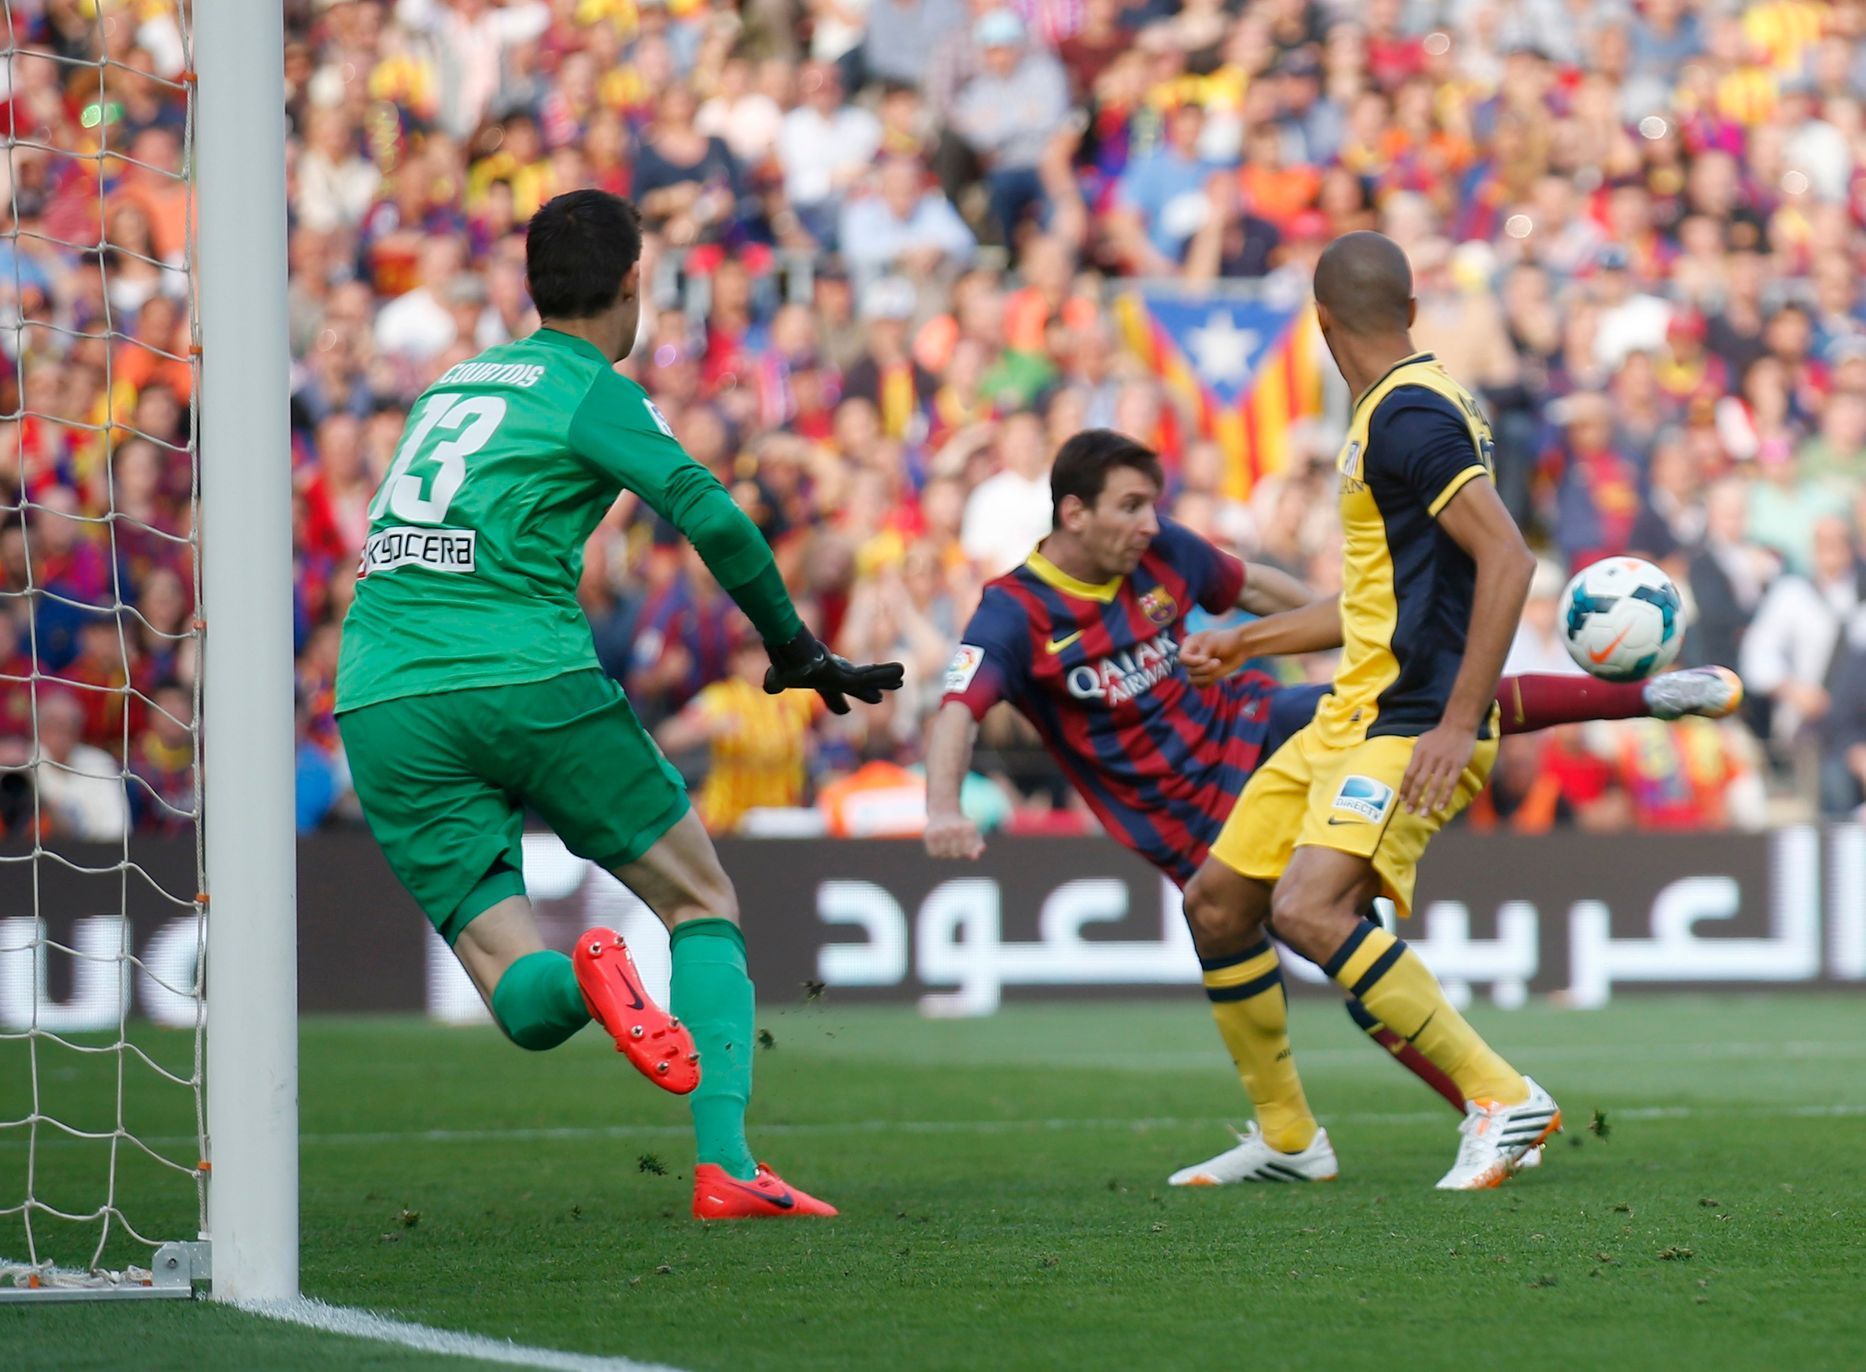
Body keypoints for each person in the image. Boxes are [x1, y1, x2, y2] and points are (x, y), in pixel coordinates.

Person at [922, 427, 1740, 1161]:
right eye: (1130, 506)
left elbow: (1255, 588)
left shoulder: (1161, 547)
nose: (1149, 522)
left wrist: (1356, 644)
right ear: (1072, 512)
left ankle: (1646, 700)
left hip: (1257, 726)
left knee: (1420, 715)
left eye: (1152, 505)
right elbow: (957, 711)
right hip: (1182, 814)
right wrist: (943, 808)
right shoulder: (1015, 612)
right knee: (1238, 924)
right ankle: (1299, 1138)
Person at [335, 191, 903, 1222]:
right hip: (522, 673)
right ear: (636, 281)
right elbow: (709, 512)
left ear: (530, 280)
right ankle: (726, 1164)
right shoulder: (586, 384)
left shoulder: (450, 385)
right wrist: (795, 648)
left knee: (517, 993)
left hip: (380, 695)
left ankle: (588, 982)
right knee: (699, 901)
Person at [1175, 231, 1560, 1191]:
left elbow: (1508, 560)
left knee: (1309, 908)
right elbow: (1377, 599)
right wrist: (1250, 640)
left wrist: (1457, 720)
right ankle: (1289, 1138)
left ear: (1320, 322)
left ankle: (1503, 1094)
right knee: (1218, 904)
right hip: (1350, 713)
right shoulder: (1396, 410)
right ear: (1413, 313)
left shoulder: (1408, 420)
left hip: (1407, 721)